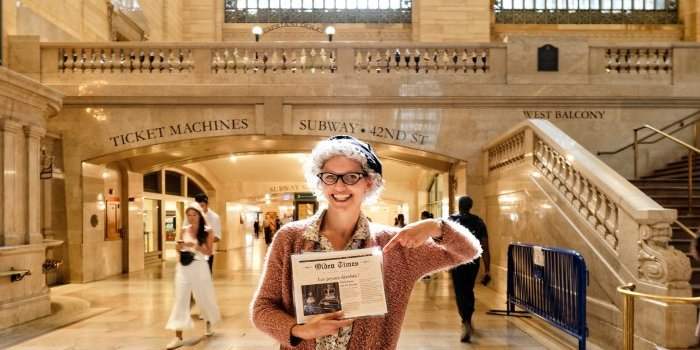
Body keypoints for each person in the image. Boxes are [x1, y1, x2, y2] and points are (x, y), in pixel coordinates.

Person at [250, 135, 482, 350]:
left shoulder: (394, 246)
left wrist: (438, 227)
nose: (340, 186)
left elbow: (468, 251)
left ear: (369, 183)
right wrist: (300, 330)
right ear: (320, 182)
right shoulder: (290, 238)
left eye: (351, 177)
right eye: (330, 177)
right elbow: (263, 308)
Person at [165, 202, 221, 349]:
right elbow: (178, 248)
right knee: (180, 299)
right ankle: (178, 336)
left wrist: (195, 246)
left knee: (204, 297)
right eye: (188, 215)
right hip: (183, 268)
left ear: (199, 215)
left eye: (194, 214)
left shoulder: (208, 231)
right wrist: (178, 247)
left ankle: (208, 323)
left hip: (200, 267)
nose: (191, 218)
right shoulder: (184, 229)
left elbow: (209, 252)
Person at [449, 196, 491, 343]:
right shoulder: (479, 222)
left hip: (457, 262)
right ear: (470, 206)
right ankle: (468, 319)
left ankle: (465, 320)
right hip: (473, 262)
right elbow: (485, 246)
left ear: (459, 206)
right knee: (468, 289)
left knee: (460, 291)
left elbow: (443, 242)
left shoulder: (451, 220)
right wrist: (487, 270)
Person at [194, 194, 221, 273]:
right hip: (192, 253)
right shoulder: (191, 215)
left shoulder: (214, 217)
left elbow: (217, 237)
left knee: (206, 276)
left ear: (207, 204)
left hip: (207, 253)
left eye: (202, 206)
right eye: (198, 206)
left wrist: (202, 241)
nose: (200, 209)